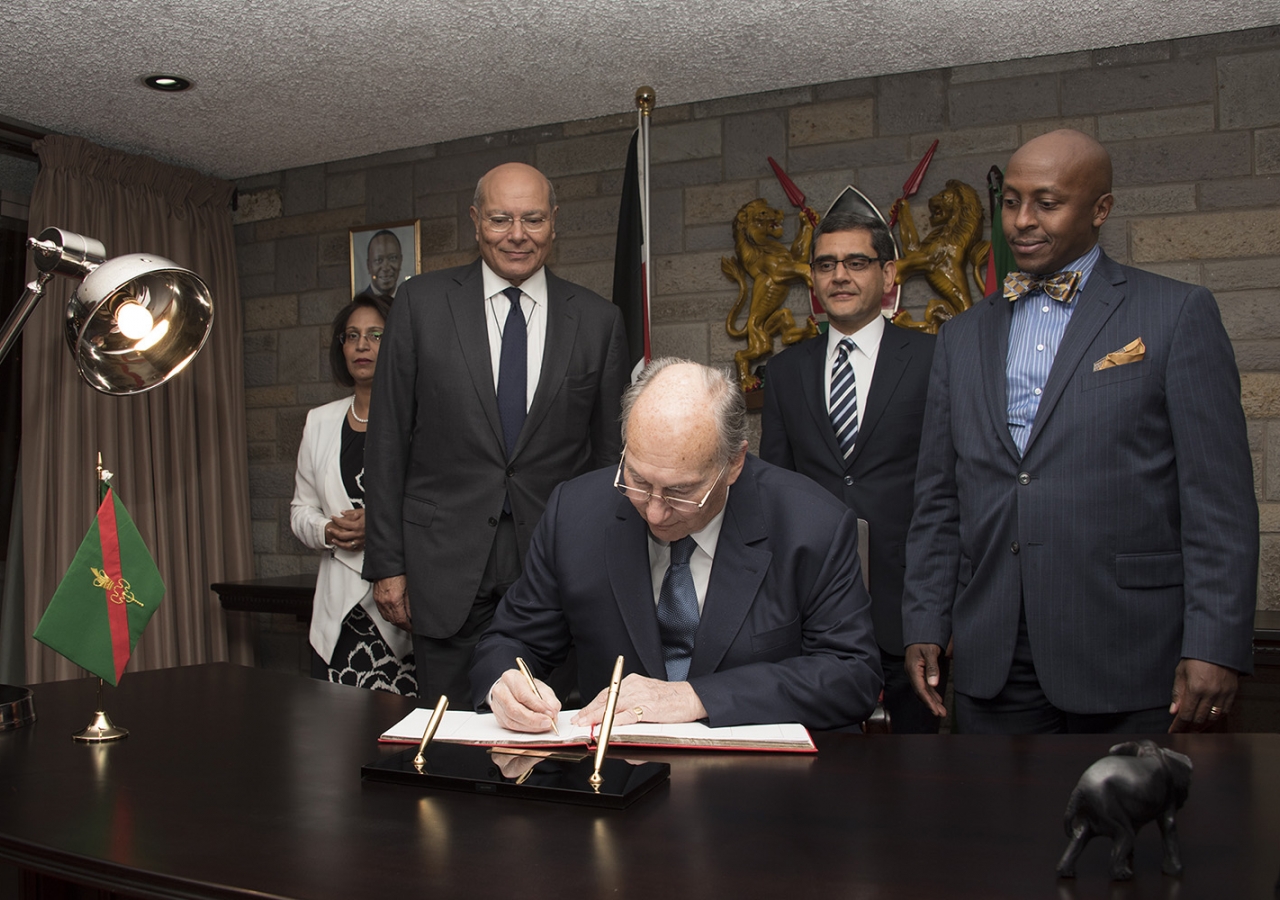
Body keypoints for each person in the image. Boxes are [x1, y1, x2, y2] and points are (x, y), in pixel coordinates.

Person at [902, 129, 1257, 734]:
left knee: (1127, 827)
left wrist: (1216, 643)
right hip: (992, 655)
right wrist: (925, 621)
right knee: (989, 831)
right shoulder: (961, 335)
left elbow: (1217, 499)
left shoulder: (1176, 313)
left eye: (1047, 201)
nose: (1021, 221)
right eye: (1010, 202)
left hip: (1129, 650)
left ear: (1100, 209)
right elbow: (938, 495)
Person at [471, 359, 883, 732]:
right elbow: (510, 641)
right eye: (637, 480)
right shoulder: (574, 514)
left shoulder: (811, 525)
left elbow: (852, 675)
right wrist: (504, 685)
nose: (653, 512)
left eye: (681, 492)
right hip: (615, 781)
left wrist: (697, 697)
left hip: (759, 790)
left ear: (734, 463)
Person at [362, 162, 629, 708]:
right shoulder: (419, 305)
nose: (517, 235)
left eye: (532, 219)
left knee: (550, 734)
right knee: (449, 737)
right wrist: (388, 564)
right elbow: (388, 440)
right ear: (475, 221)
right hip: (442, 565)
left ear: (554, 222)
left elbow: (609, 457)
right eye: (501, 219)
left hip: (555, 566)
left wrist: (606, 563)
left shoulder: (599, 322)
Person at [760, 212, 940, 733]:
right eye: (825, 264)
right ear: (812, 279)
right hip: (810, 614)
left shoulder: (935, 357)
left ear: (888, 276)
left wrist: (939, 614)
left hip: (908, 610)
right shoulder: (785, 371)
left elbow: (949, 489)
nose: (839, 275)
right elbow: (773, 489)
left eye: (856, 262)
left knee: (917, 773)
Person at [290, 295, 416, 694]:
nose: (362, 345)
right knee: (338, 741)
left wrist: (380, 525)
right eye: (352, 336)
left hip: (406, 605)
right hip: (339, 614)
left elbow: (441, 508)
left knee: (406, 743)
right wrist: (327, 530)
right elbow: (300, 510)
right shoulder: (320, 421)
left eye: (376, 334)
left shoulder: (422, 418)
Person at [354, 230, 402, 303]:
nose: (386, 268)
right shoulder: (361, 304)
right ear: (369, 266)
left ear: (400, 261)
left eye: (392, 258)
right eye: (378, 260)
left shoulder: (407, 300)